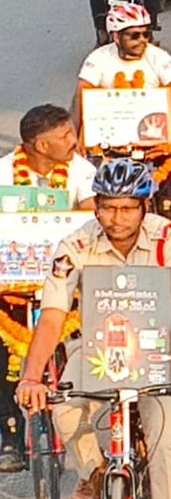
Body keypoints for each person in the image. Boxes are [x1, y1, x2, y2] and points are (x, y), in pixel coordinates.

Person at [16, 159, 171, 499]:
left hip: (157, 348)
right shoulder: (75, 244)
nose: (116, 218)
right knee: (62, 406)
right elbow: (53, 315)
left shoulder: (170, 238)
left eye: (127, 208)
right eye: (107, 207)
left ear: (145, 207)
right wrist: (31, 377)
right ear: (97, 206)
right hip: (97, 346)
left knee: (164, 439)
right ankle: (95, 472)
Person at [0, 105, 98, 469]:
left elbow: (93, 214)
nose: (74, 140)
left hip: (67, 281)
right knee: (2, 356)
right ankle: (9, 433)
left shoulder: (81, 170)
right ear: (41, 146)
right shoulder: (4, 173)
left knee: (90, 341)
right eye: (65, 136)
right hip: (13, 282)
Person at [75, 4, 171, 216]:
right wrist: (74, 138)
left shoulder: (160, 58)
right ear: (116, 37)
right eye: (134, 35)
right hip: (109, 139)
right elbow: (80, 100)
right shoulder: (98, 59)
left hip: (153, 137)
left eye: (146, 34)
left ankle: (166, 204)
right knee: (93, 174)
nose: (142, 40)